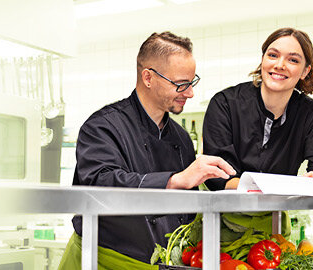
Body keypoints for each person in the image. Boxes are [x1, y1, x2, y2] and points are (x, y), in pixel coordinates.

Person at [58, 31, 237, 270]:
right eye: (181, 84)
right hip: (100, 261)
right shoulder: (102, 126)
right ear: (148, 77)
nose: (190, 93)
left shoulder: (181, 137)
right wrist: (174, 180)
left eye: (192, 83)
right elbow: (101, 183)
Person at [203, 27, 313, 194]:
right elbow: (217, 174)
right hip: (221, 214)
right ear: (263, 59)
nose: (280, 65)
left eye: (293, 60)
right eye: (273, 55)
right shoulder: (225, 103)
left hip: (277, 216)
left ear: (305, 71)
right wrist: (264, 188)